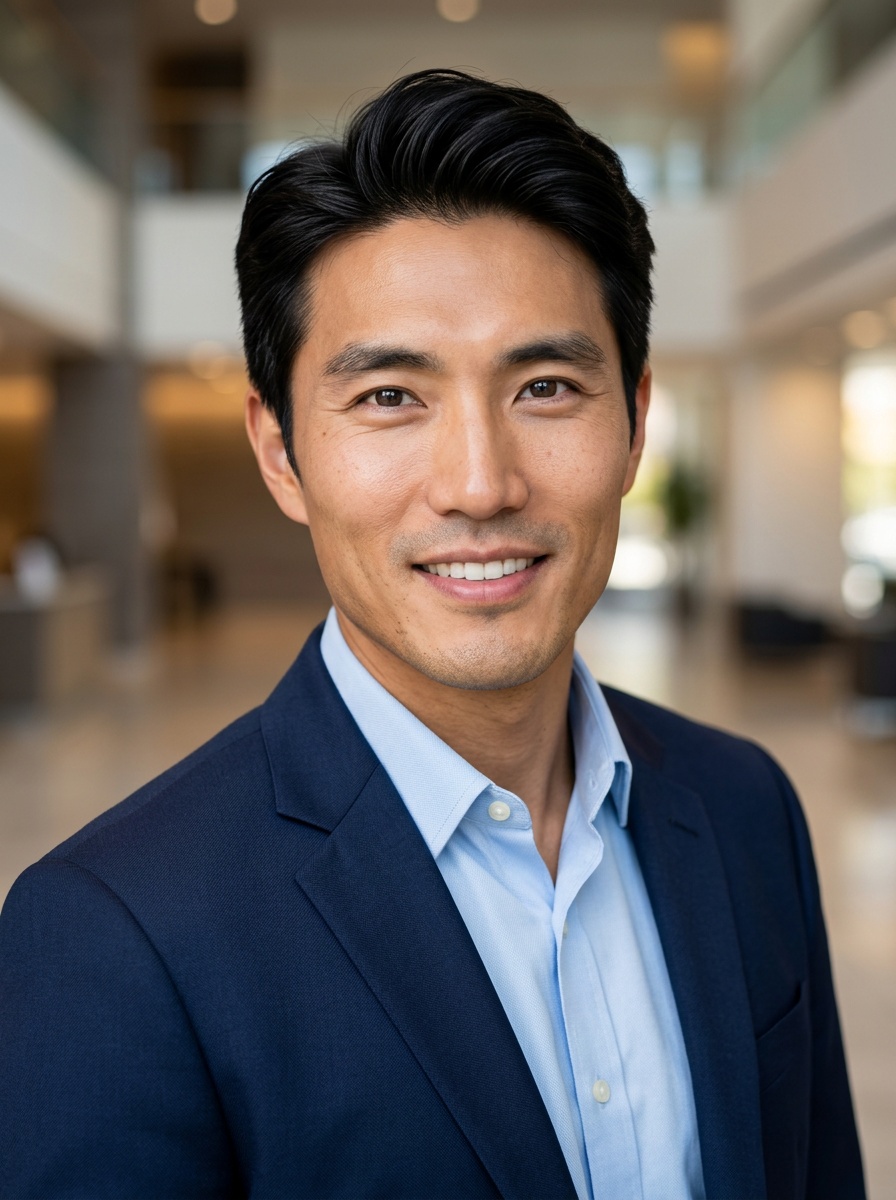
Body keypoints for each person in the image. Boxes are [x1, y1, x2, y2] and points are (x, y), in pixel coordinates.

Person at [0, 70, 864, 1200]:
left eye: (544, 386)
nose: (479, 484)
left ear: (635, 421)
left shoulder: (745, 808)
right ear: (280, 452)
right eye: (389, 398)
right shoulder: (113, 933)